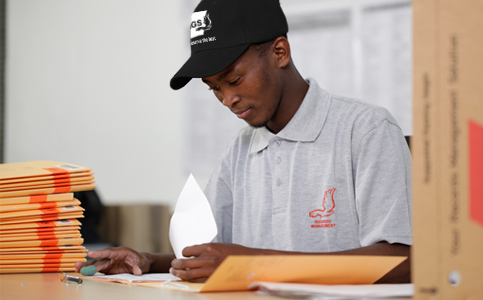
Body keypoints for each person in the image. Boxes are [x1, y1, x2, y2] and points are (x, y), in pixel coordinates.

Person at [75, 0, 412, 283]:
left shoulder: (366, 130)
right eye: (215, 88)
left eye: (234, 79)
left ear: (280, 52)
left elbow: (403, 260)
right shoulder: (240, 151)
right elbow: (219, 255)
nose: (227, 99)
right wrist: (148, 261)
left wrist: (254, 264)